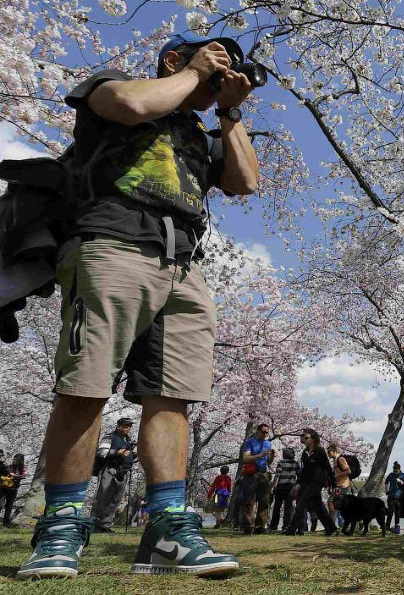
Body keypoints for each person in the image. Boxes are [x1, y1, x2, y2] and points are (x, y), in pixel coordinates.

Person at [15, 33, 257, 580]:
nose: (217, 79)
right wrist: (196, 72)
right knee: (87, 384)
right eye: (214, 65)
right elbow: (133, 105)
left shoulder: (200, 130)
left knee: (172, 395)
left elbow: (245, 182)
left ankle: (168, 527)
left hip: (184, 263)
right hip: (110, 242)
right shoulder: (111, 89)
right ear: (175, 59)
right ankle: (60, 525)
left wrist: (230, 112)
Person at [285, 429, 336, 536]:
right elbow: (305, 470)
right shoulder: (304, 453)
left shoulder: (320, 450)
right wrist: (298, 483)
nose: (302, 438)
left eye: (305, 436)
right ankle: (331, 529)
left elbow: (327, 467)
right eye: (301, 436)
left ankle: (291, 530)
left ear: (313, 439)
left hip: (317, 482)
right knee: (318, 507)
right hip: (306, 482)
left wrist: (333, 483)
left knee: (301, 504)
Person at [91, 417, 138, 533]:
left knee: (115, 500)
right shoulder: (109, 437)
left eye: (130, 426)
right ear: (118, 426)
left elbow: (127, 456)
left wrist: (134, 455)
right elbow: (101, 452)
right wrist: (118, 452)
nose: (128, 428)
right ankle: (95, 524)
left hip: (123, 472)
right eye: (126, 426)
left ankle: (105, 525)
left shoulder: (129, 441)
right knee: (103, 497)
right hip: (110, 470)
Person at [240, 423, 275, 535]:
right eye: (263, 431)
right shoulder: (250, 442)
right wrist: (260, 455)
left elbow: (268, 461)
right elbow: (245, 458)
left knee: (264, 500)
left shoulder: (268, 444)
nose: (265, 434)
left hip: (263, 474)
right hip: (251, 474)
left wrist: (271, 457)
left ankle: (260, 527)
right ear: (258, 431)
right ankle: (248, 527)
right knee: (249, 501)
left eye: (267, 432)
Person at [269, 447, 298, 531]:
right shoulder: (295, 464)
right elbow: (299, 475)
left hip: (281, 487)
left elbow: (277, 476)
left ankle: (273, 525)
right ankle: (286, 525)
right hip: (291, 487)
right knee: (288, 507)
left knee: (277, 506)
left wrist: (272, 486)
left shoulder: (281, 463)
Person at [327, 442, 353, 527]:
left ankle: (331, 526)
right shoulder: (335, 461)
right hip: (338, 486)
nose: (328, 454)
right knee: (340, 505)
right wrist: (330, 486)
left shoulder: (340, 459)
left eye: (329, 451)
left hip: (343, 486)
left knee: (331, 502)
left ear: (334, 451)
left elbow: (348, 471)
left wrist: (337, 475)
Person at [1, 453, 27, 527]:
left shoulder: (23, 468)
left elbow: (24, 476)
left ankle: (6, 523)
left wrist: (14, 476)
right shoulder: (9, 466)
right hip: (3, 487)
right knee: (0, 504)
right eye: (14, 459)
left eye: (16, 459)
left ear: (20, 460)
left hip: (13, 489)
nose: (14, 461)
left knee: (9, 506)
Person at [383, 462, 404, 535]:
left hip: (399, 496)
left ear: (399, 469)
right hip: (391, 495)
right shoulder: (391, 475)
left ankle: (397, 527)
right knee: (390, 511)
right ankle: (387, 526)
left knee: (397, 512)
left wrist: (400, 481)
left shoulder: (402, 475)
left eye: (396, 470)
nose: (395, 472)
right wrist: (386, 490)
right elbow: (386, 482)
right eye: (394, 470)